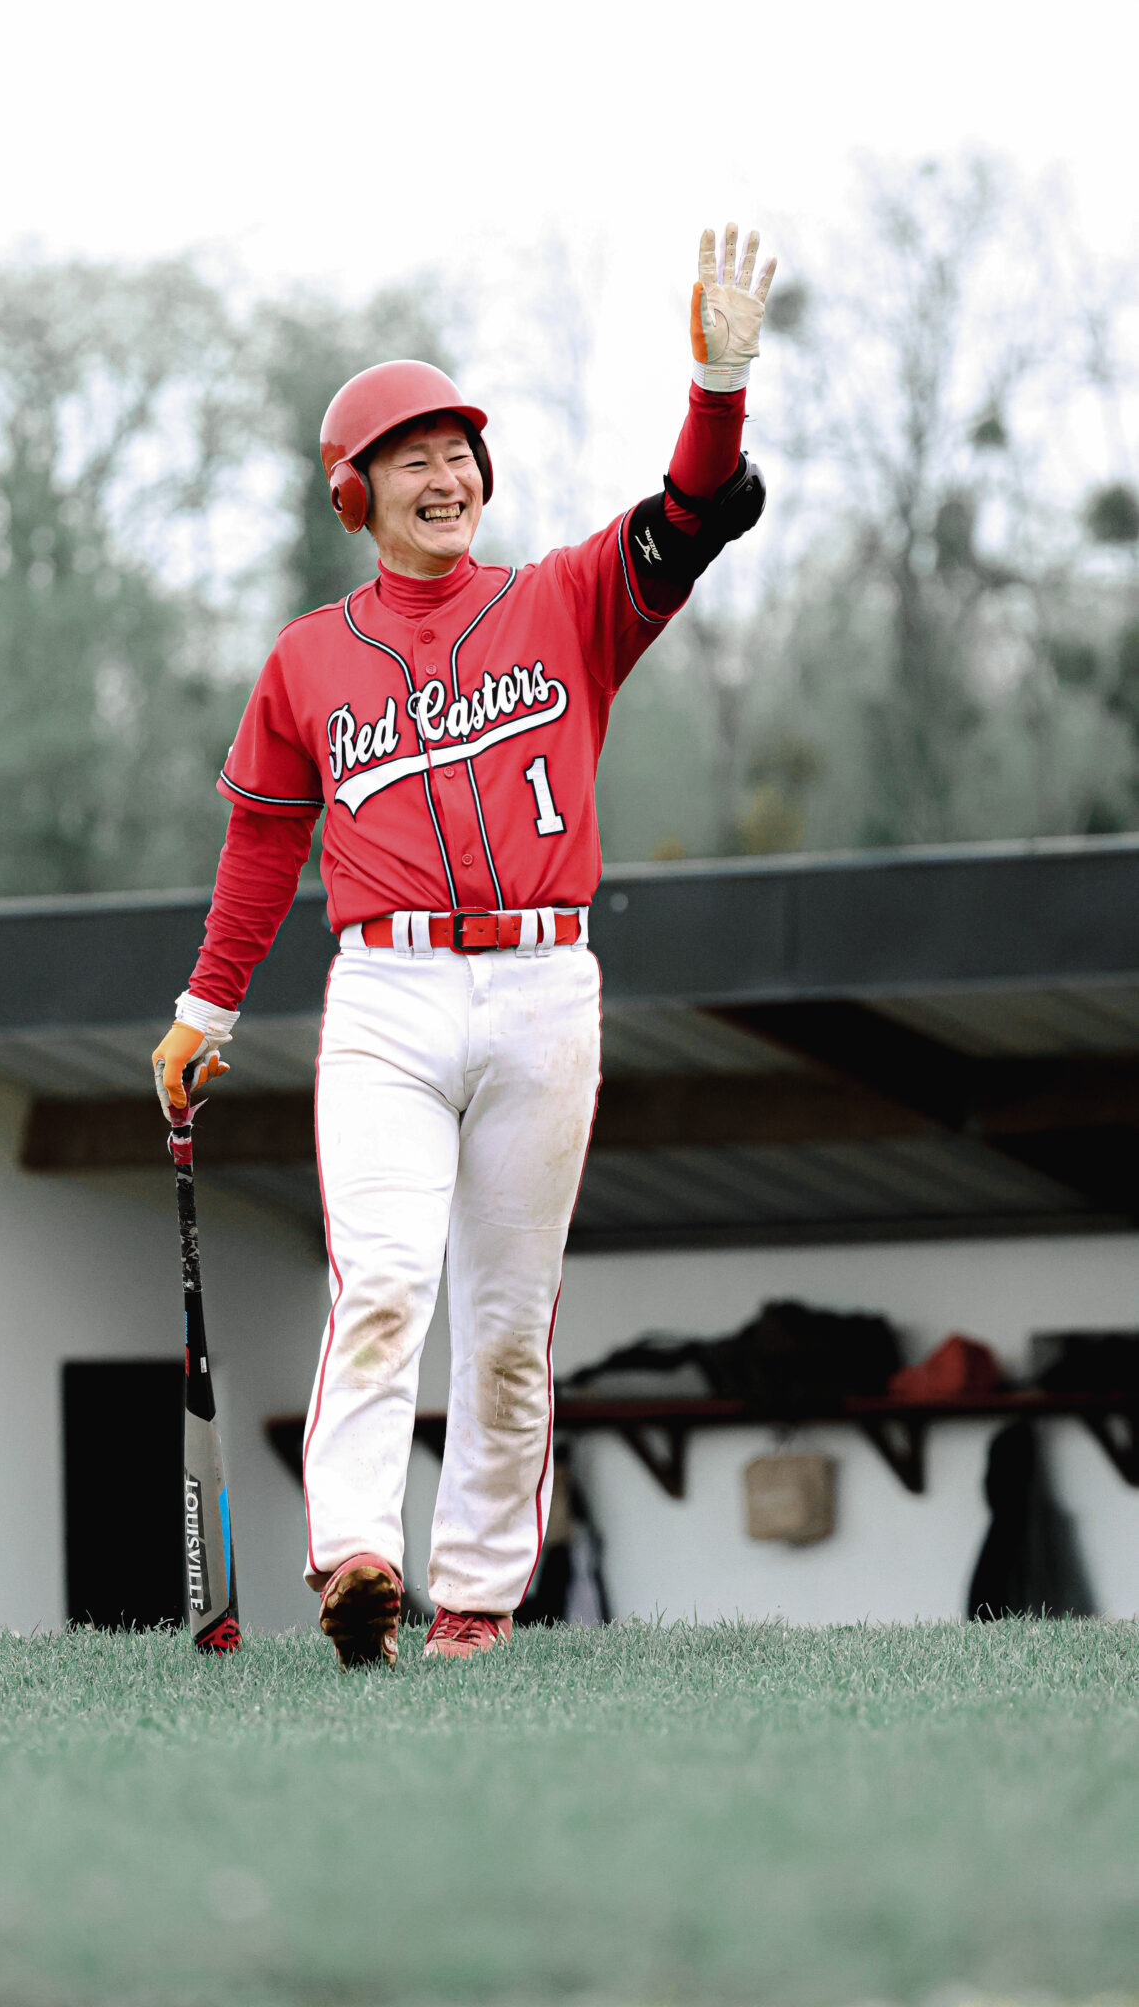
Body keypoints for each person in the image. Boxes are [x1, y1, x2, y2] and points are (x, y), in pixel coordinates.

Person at [153, 224, 777, 1666]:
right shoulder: (308, 659)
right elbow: (262, 849)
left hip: (545, 985)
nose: (447, 479)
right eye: (414, 460)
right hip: (387, 992)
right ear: (354, 492)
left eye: (461, 455)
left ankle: (478, 1601)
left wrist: (716, 384)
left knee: (505, 1322)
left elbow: (692, 510)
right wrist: (206, 1009)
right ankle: (357, 1563)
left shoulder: (563, 599)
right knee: (381, 1285)